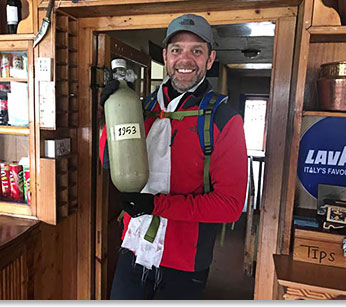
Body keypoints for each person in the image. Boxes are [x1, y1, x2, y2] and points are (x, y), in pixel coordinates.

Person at [99, 13, 248, 300]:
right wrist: (111, 115)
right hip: (133, 249)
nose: (185, 59)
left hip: (184, 265)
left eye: (197, 50)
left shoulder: (224, 120)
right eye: (177, 50)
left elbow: (230, 206)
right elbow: (109, 160)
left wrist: (156, 205)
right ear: (166, 56)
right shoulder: (140, 108)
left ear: (210, 58)